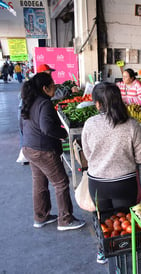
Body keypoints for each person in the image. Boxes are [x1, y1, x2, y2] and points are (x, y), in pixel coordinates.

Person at [81, 82, 141, 264]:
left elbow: (87, 155)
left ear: (97, 104)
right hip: (124, 184)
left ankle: (103, 251)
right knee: (125, 221)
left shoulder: (89, 124)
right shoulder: (132, 125)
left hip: (98, 183)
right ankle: (126, 254)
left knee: (104, 221)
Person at [20, 72, 86, 231]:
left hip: (29, 148)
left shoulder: (29, 101)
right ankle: (65, 220)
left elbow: (22, 126)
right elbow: (47, 128)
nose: (55, 87)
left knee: (40, 183)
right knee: (61, 183)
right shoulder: (44, 103)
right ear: (45, 88)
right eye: (53, 84)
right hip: (43, 150)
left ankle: (40, 217)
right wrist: (63, 134)